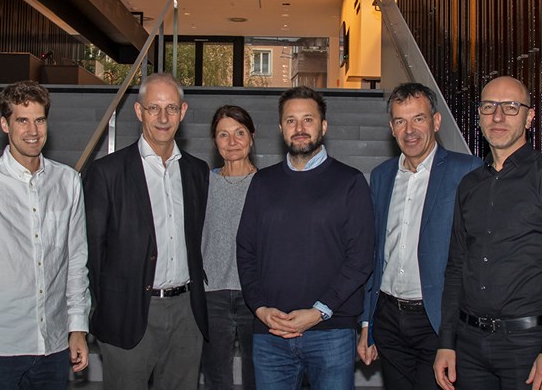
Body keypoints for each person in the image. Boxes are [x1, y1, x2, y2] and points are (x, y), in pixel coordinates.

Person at [433, 76, 542, 390]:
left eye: (511, 107)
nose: (499, 116)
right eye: (489, 107)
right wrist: (446, 341)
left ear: (529, 117)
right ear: (479, 117)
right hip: (468, 343)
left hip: (528, 347)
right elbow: (455, 268)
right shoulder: (469, 185)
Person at [0, 80, 90, 389]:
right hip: (0, 348)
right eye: (22, 120)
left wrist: (77, 327)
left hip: (53, 345)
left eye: (39, 120)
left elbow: (76, 262)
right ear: (5, 124)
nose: (33, 130)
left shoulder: (67, 182)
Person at [236, 86, 374, 390]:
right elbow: (245, 250)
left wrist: (318, 312)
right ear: (280, 128)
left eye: (308, 120)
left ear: (323, 126)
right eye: (290, 121)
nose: (299, 128)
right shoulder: (262, 182)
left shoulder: (350, 182)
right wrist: (259, 307)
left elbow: (361, 258)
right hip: (270, 332)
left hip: (331, 331)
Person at [83, 72, 210, 390]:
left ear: (183, 112)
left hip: (186, 314)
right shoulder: (106, 173)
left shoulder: (197, 172)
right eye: (154, 108)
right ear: (139, 112)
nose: (163, 117)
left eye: (171, 108)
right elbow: (91, 253)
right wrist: (104, 307)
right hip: (128, 313)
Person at [358, 83, 482, 389]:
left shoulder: (466, 171)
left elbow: (477, 253)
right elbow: (374, 251)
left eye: (419, 119)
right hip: (387, 317)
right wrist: (367, 323)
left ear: (436, 121)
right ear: (391, 127)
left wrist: (455, 333)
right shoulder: (382, 175)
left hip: (437, 321)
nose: (409, 130)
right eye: (400, 121)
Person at [201, 105, 258, 390]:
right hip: (212, 296)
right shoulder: (203, 183)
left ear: (252, 137)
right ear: (215, 140)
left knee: (257, 376)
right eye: (224, 135)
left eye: (239, 133)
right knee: (216, 378)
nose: (232, 142)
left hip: (256, 296)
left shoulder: (267, 184)